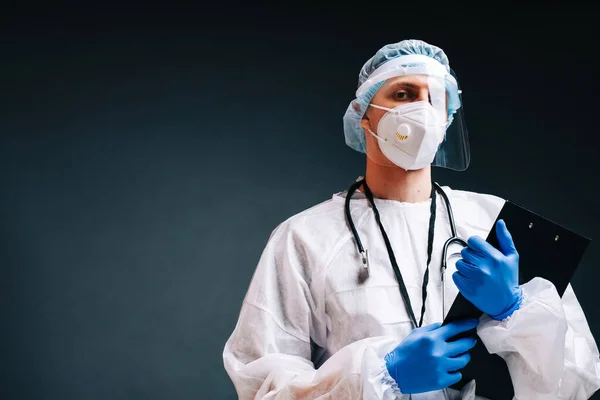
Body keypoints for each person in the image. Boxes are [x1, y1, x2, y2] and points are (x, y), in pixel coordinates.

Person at [222, 39, 600, 399]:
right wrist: (383, 375)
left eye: (434, 98)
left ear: (448, 118)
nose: (421, 110)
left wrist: (515, 311)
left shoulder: (491, 223)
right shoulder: (305, 238)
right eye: (403, 94)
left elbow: (576, 380)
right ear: (363, 115)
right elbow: (262, 387)